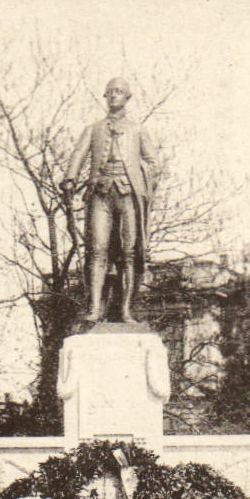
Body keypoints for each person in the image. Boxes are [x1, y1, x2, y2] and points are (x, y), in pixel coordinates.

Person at [63, 78, 159, 323]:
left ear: (128, 97)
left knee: (128, 253)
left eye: (120, 92)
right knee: (96, 250)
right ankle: (94, 308)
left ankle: (126, 310)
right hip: (101, 193)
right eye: (110, 92)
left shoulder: (138, 130)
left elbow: (153, 163)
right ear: (105, 97)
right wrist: (70, 178)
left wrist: (136, 171)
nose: (114, 95)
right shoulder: (93, 129)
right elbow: (78, 154)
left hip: (128, 194)